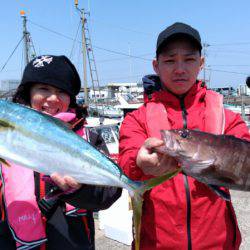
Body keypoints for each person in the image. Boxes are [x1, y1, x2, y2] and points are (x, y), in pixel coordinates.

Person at [118, 22, 250, 250]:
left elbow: (244, 150)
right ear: (156, 66)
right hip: (156, 243)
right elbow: (127, 163)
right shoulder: (136, 119)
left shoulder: (227, 117)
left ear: (201, 64)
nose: (180, 68)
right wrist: (139, 163)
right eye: (169, 60)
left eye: (189, 60)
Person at [0, 55, 122, 250]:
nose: (53, 98)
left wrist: (80, 190)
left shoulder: (88, 138)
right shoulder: (8, 140)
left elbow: (109, 193)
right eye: (44, 89)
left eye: (62, 91)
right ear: (29, 93)